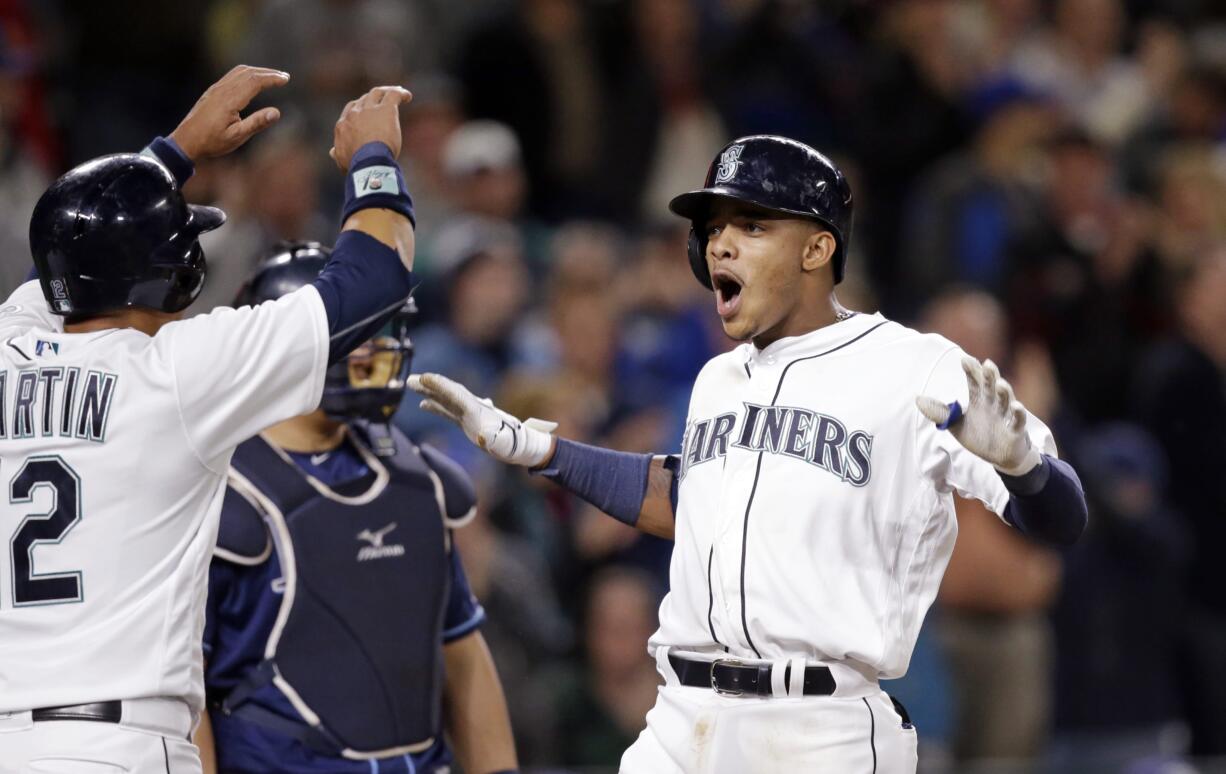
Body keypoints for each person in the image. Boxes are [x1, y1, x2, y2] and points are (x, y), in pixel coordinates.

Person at [409, 135, 1088, 773]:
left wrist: (1024, 469)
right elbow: (685, 501)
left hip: (819, 730)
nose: (720, 246)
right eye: (714, 230)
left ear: (818, 249)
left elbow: (1060, 525)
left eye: (752, 226)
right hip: (680, 720)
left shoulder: (917, 368)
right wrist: (534, 448)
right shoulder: (719, 378)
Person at [0, 65, 418, 773]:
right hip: (120, 745)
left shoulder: (13, 342)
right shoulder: (182, 373)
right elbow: (378, 275)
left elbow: (69, 255)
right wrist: (373, 160)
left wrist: (174, 151)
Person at [196, 242, 517, 774]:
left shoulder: (417, 477)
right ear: (280, 346)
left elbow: (460, 652)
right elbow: (187, 695)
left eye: (376, 332)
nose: (372, 350)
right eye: (351, 333)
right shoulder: (219, 490)